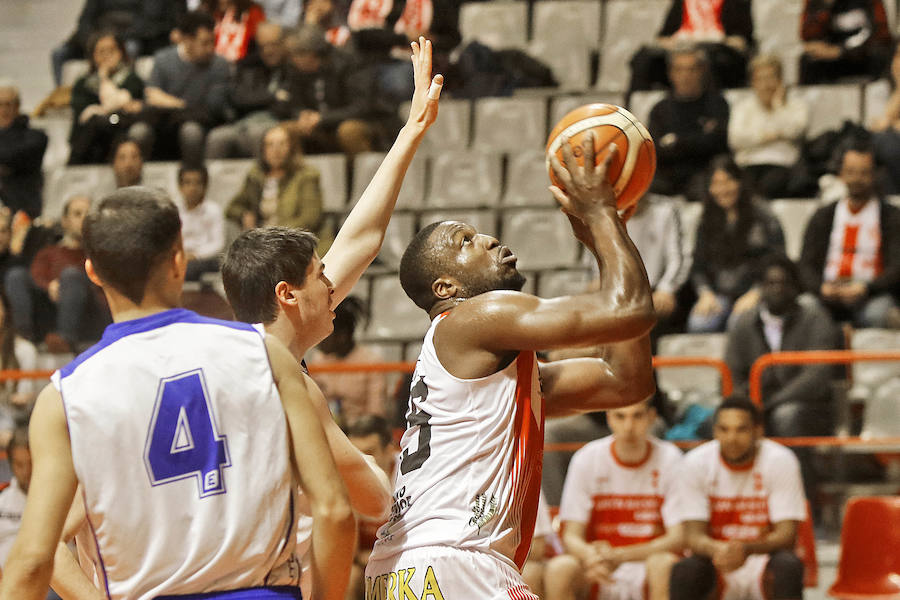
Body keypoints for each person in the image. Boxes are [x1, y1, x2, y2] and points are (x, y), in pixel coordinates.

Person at [0, 186, 356, 600]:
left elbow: (32, 562)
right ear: (179, 260)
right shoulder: (265, 354)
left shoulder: (64, 396)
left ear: (92, 272)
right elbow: (335, 510)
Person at [365, 134, 656, 599]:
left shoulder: (485, 370)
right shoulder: (475, 317)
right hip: (453, 562)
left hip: (408, 568)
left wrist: (606, 244)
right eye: (465, 242)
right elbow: (632, 310)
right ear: (445, 287)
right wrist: (603, 216)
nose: (488, 238)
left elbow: (625, 382)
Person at [221, 37, 442, 598]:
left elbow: (360, 241)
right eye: (319, 276)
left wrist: (410, 132)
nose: (332, 284)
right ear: (288, 296)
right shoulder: (278, 378)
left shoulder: (235, 351)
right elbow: (366, 500)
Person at [726, 253, 842, 512]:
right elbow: (732, 371)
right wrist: (748, 404)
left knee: (787, 418)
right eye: (770, 283)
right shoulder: (744, 323)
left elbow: (816, 377)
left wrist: (769, 404)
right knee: (722, 423)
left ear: (795, 287)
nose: (776, 289)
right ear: (760, 288)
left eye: (783, 283)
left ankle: (804, 509)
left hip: (812, 408)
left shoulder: (816, 319)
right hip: (756, 405)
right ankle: (736, 511)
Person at [667, 395, 807, 600]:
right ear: (715, 431)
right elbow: (693, 536)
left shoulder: (780, 460)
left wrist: (745, 549)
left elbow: (787, 536)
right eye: (724, 430)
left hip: (762, 553)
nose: (731, 438)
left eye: (740, 429)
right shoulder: (695, 463)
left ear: (758, 431)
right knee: (685, 570)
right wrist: (719, 549)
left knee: (788, 565)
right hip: (716, 555)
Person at [543, 400, 683, 600]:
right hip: (599, 563)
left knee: (664, 564)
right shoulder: (587, 458)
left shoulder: (670, 458)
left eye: (637, 416)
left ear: (652, 417)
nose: (628, 426)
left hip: (647, 561)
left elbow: (678, 538)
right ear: (608, 418)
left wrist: (619, 555)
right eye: (620, 416)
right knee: (560, 569)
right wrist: (591, 556)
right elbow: (571, 535)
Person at [798, 139, 900, 327]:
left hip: (871, 294)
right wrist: (821, 288)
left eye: (864, 173)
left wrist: (867, 287)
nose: (857, 179)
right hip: (828, 293)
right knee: (804, 308)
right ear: (841, 174)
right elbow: (805, 263)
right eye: (851, 172)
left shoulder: (892, 217)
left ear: (874, 175)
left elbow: (896, 266)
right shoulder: (823, 215)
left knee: (879, 313)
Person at [687, 156, 785, 333]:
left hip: (756, 291)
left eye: (728, 181)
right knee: (699, 324)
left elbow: (776, 259)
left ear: (739, 182)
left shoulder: (763, 215)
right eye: (716, 183)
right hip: (719, 294)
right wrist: (705, 293)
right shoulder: (706, 220)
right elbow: (698, 264)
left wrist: (757, 292)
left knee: (739, 324)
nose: (722, 189)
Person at [4, 195, 109, 353]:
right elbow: (35, 275)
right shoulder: (48, 252)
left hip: (88, 315)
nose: (83, 219)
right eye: (77, 214)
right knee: (16, 275)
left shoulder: (100, 254)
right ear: (65, 220)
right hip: (49, 310)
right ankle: (22, 336)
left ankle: (66, 337)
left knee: (71, 275)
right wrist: (49, 286)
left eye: (88, 214)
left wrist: (67, 285)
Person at [129, 10, 230, 163]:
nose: (211, 49)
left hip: (199, 125)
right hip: (163, 125)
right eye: (205, 43)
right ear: (188, 40)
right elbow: (151, 98)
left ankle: (194, 178)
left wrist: (172, 103)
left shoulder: (219, 65)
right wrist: (187, 108)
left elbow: (212, 109)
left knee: (191, 131)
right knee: (139, 132)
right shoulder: (163, 59)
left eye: (213, 42)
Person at [225, 124, 332, 255]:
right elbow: (231, 208)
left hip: (298, 244)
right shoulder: (255, 176)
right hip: (265, 246)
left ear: (292, 148)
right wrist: (244, 215)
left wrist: (271, 236)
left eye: (282, 144)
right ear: (263, 150)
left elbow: (310, 218)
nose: (276, 150)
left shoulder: (307, 175)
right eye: (270, 145)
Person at [647, 46, 730, 201]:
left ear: (701, 72)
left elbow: (717, 143)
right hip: (667, 173)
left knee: (709, 185)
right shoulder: (660, 109)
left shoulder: (717, 103)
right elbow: (654, 148)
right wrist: (697, 139)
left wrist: (676, 142)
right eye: (679, 70)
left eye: (691, 70)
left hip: (703, 171)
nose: (685, 76)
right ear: (671, 74)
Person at [205, 21, 292, 159]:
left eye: (273, 45)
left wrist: (258, 99)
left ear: (285, 43)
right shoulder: (248, 66)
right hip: (244, 122)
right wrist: (273, 96)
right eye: (263, 46)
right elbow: (239, 98)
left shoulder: (293, 67)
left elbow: (287, 105)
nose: (268, 51)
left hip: (278, 123)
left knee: (257, 133)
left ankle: (260, 179)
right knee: (217, 137)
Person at [728, 54, 810, 199]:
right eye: (760, 79)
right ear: (753, 82)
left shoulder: (795, 105)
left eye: (770, 78)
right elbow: (736, 139)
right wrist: (769, 136)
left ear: (780, 80)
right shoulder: (743, 107)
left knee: (768, 185)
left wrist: (778, 106)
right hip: (748, 165)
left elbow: (796, 131)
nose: (766, 85)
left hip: (783, 166)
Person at [628, 0, 753, 93]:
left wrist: (724, 40)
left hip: (717, 48)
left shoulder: (737, 2)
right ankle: (629, 115)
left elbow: (742, 40)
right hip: (682, 45)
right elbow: (664, 36)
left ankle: (710, 109)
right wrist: (671, 43)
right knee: (643, 57)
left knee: (706, 57)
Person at [50, 0, 181, 86]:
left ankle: (127, 87)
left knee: (130, 47)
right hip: (96, 36)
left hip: (129, 37)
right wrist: (91, 39)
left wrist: (118, 39)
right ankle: (61, 95)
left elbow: (148, 22)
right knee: (59, 54)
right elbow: (85, 19)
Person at [68, 31, 145, 165]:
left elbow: (117, 104)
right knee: (94, 125)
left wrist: (103, 79)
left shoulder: (132, 79)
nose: (107, 56)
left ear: (121, 52)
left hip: (120, 132)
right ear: (93, 56)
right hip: (91, 139)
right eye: (101, 52)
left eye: (111, 50)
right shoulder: (83, 83)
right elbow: (83, 114)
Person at [310, 296, 388, 423]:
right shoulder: (318, 360)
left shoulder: (371, 362)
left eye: (324, 335)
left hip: (360, 433)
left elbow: (376, 413)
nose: (318, 340)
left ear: (342, 336)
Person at [345, 415, 398, 600]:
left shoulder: (412, 476)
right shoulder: (343, 473)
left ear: (390, 450)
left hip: (405, 558)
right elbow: (349, 555)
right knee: (349, 576)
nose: (363, 462)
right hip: (366, 562)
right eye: (356, 453)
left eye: (370, 452)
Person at [799, 0, 893, 85]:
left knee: (879, 54)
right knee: (808, 60)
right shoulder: (817, 2)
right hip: (832, 58)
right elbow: (808, 36)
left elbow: (880, 35)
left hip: (863, 55)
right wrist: (825, 5)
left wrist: (841, 51)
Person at [0, 81, 48, 220]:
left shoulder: (35, 137)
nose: (4, 110)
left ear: (17, 106)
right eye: (0, 104)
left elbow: (13, 156)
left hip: (22, 206)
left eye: (8, 104)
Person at [0, 290, 40, 444]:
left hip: (13, 421)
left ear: (6, 311)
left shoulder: (24, 350)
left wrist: (21, 398)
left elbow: (24, 398)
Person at [175, 163, 225, 282]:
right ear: (180, 187)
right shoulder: (173, 210)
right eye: (187, 182)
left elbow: (218, 244)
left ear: (205, 186)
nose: (193, 187)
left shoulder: (213, 210)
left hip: (205, 259)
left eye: (197, 183)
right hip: (180, 257)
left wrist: (195, 255)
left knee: (188, 268)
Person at [0, 429, 31, 566]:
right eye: (19, 464)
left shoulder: (63, 500)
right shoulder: (2, 498)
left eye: (31, 463)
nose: (26, 472)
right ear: (11, 464)